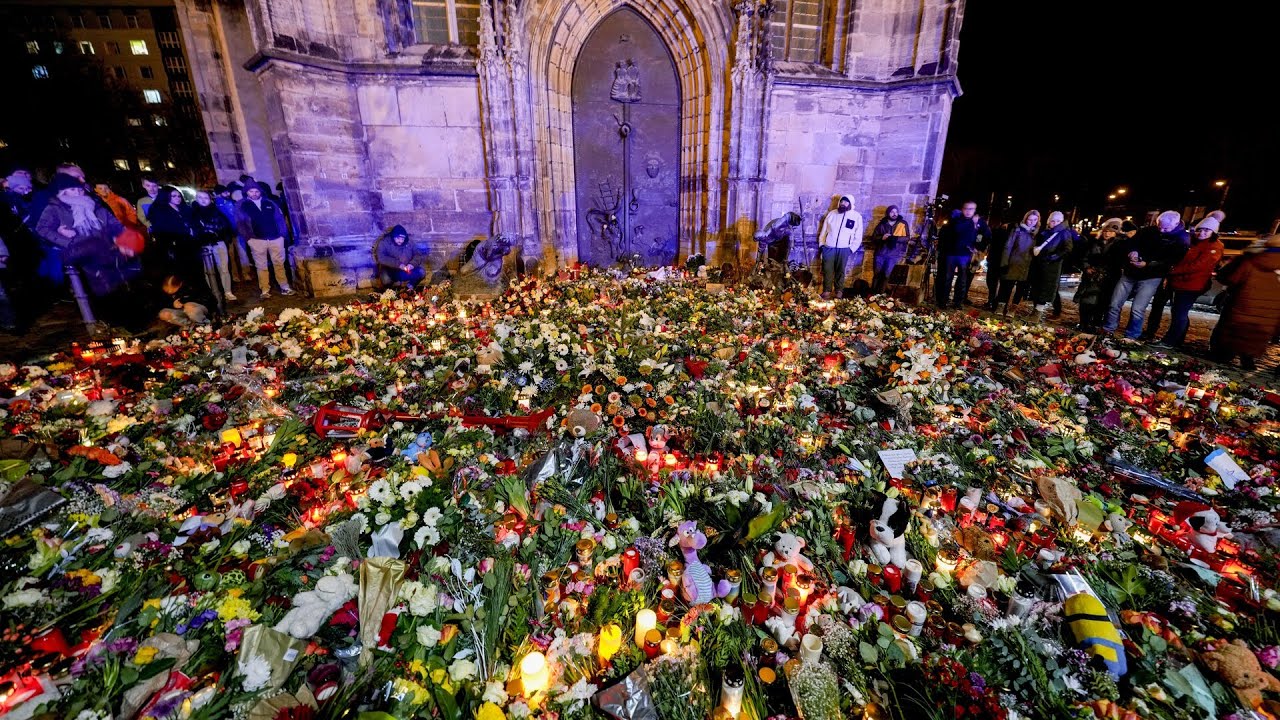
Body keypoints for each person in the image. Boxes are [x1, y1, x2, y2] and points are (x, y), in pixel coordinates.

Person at [34, 173, 142, 325]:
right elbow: (42, 229)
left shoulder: (94, 206)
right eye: (72, 189)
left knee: (120, 264)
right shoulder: (55, 208)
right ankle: (112, 312)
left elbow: (115, 225)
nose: (78, 192)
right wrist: (66, 239)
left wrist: (126, 240)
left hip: (102, 248)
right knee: (99, 258)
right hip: (74, 248)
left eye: (79, 189)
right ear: (63, 191)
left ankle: (127, 307)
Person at [1102, 211, 1190, 340]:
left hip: (1151, 277)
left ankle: (1131, 336)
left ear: (1176, 224)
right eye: (1159, 226)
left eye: (1166, 228)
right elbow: (1132, 243)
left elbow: (1170, 261)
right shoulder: (1149, 231)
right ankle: (1108, 329)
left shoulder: (1181, 239)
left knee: (1138, 308)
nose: (1161, 230)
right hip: (1131, 272)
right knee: (1114, 303)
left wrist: (1148, 264)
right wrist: (1133, 252)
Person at [1210, 234, 1280, 369]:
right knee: (1256, 335)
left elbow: (1226, 277)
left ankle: (1223, 357)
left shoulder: (1250, 259)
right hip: (1269, 312)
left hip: (1241, 306)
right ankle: (1248, 359)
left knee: (1233, 332)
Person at [1157, 211, 1225, 348]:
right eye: (1200, 230)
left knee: (1179, 313)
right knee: (1178, 312)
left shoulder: (1214, 246)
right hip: (1180, 282)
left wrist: (1173, 270)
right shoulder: (1194, 242)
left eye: (1206, 230)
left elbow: (1198, 265)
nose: (1202, 233)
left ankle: (1169, 341)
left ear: (1213, 232)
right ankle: (1177, 340)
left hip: (1192, 285)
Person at [236, 184, 293, 298]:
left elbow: (279, 218)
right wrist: (248, 238)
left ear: (260, 192)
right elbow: (240, 223)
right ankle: (265, 289)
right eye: (251, 191)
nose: (254, 193)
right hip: (256, 240)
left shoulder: (270, 203)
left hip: (275, 238)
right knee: (261, 265)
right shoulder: (242, 205)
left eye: (256, 191)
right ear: (247, 192)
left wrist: (282, 235)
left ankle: (284, 287)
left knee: (279, 264)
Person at [934, 200, 991, 308]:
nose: (968, 211)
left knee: (962, 280)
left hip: (966, 255)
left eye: (971, 209)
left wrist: (978, 247)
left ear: (974, 210)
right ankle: (942, 301)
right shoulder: (955, 220)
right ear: (962, 209)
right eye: (966, 208)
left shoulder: (979, 222)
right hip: (951, 253)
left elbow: (987, 236)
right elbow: (946, 234)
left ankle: (958, 302)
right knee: (947, 278)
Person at [1074, 218, 1126, 331]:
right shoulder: (1094, 243)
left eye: (1111, 231)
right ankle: (1084, 322)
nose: (1107, 234)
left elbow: (1118, 263)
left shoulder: (1120, 245)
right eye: (1105, 231)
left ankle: (1095, 323)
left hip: (1108, 279)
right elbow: (1084, 257)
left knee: (1102, 303)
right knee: (1086, 301)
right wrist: (1087, 267)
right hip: (1091, 277)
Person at [147, 186, 202, 288]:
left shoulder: (185, 209)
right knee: (180, 272)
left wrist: (192, 230)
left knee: (194, 271)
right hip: (175, 248)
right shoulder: (160, 212)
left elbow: (195, 223)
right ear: (166, 196)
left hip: (190, 245)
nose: (178, 198)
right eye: (174, 196)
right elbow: (162, 231)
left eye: (179, 196)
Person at [192, 189, 238, 301]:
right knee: (209, 270)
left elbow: (225, 226)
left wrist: (223, 237)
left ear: (210, 200)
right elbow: (193, 229)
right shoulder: (192, 213)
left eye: (206, 198)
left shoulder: (217, 212)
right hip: (204, 245)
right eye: (200, 197)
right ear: (196, 199)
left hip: (218, 242)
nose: (203, 200)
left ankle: (227, 291)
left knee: (224, 268)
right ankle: (213, 291)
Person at [1029, 211, 1074, 320]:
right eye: (1052, 221)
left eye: (1058, 221)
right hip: (1040, 263)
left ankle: (1038, 312)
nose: (1055, 223)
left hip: (1052, 266)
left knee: (1047, 288)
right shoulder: (1045, 232)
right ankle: (1035, 310)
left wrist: (1053, 257)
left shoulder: (1064, 233)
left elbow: (1068, 249)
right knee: (1038, 287)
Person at [818, 194, 863, 299]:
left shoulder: (856, 216)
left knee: (840, 270)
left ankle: (839, 291)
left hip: (844, 249)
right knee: (827, 270)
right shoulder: (832, 214)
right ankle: (826, 291)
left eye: (846, 202)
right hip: (829, 247)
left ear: (850, 203)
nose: (843, 203)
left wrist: (851, 249)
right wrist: (822, 245)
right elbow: (824, 231)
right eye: (842, 201)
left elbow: (858, 235)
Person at [995, 210, 1039, 316]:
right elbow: (1008, 247)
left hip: (1026, 266)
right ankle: (1001, 306)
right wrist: (1004, 262)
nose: (1031, 222)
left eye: (1034, 220)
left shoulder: (1037, 234)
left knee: (1020, 289)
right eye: (1029, 219)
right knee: (1007, 286)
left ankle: (1013, 309)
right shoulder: (1017, 230)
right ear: (1025, 219)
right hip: (1013, 263)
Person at [870, 205, 910, 294]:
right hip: (880, 253)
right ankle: (872, 295)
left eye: (896, 212)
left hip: (893, 254)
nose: (894, 214)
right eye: (892, 212)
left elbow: (907, 238)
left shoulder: (902, 224)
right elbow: (874, 237)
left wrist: (895, 238)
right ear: (888, 213)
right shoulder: (882, 224)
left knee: (886, 275)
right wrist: (882, 237)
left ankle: (880, 295)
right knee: (877, 275)